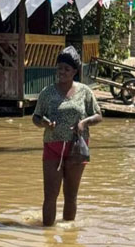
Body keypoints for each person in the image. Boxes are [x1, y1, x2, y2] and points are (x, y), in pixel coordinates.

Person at [32, 46, 102, 226]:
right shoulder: (47, 92)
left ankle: (69, 234)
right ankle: (47, 234)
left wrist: (84, 123)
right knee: (50, 195)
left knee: (71, 195)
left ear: (75, 72)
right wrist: (45, 124)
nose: (62, 72)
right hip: (52, 147)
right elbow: (36, 117)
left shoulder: (85, 91)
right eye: (60, 68)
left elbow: (98, 115)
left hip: (76, 148)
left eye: (66, 69)